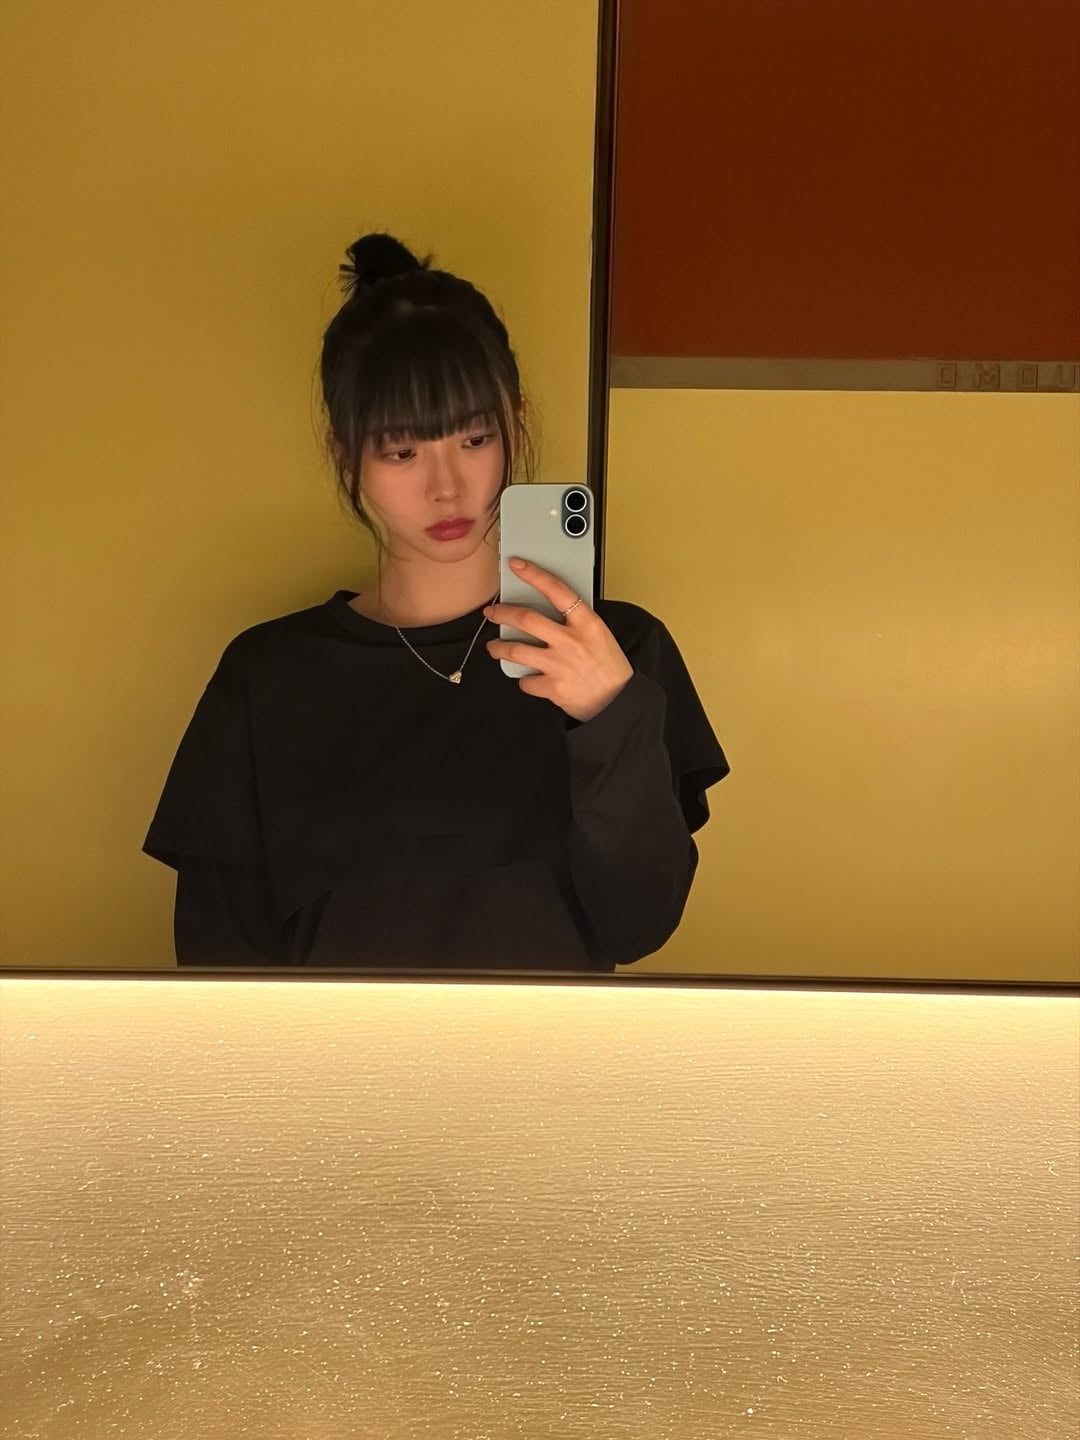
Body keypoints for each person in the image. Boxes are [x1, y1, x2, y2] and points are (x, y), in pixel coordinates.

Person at [142, 232, 730, 969]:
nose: (446, 487)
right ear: (344, 454)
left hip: (554, 1049)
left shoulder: (621, 652)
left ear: (514, 424)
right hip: (331, 1052)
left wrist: (612, 718)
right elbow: (218, 966)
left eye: (475, 440)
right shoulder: (267, 678)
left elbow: (639, 925)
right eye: (402, 452)